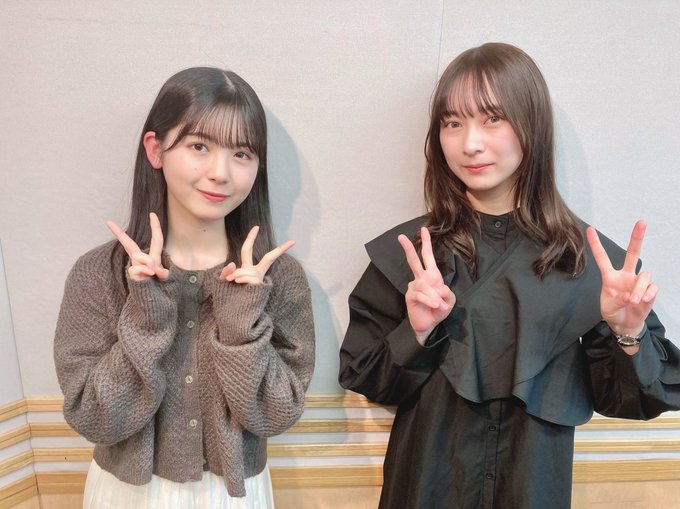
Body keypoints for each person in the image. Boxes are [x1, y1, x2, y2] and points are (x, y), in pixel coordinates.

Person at [338, 43, 680, 509]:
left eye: (492, 119)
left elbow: (633, 399)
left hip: (532, 489)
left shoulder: (588, 262)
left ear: (531, 124)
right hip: (423, 490)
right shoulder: (413, 256)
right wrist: (415, 334)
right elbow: (367, 378)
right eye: (452, 123)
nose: (469, 144)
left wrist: (629, 334)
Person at [54, 67, 315, 508]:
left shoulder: (278, 277)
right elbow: (95, 418)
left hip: (235, 495)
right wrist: (146, 317)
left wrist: (241, 324)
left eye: (242, 153)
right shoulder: (99, 272)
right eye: (199, 146)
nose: (220, 172)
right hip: (126, 495)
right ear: (156, 149)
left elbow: (276, 416)